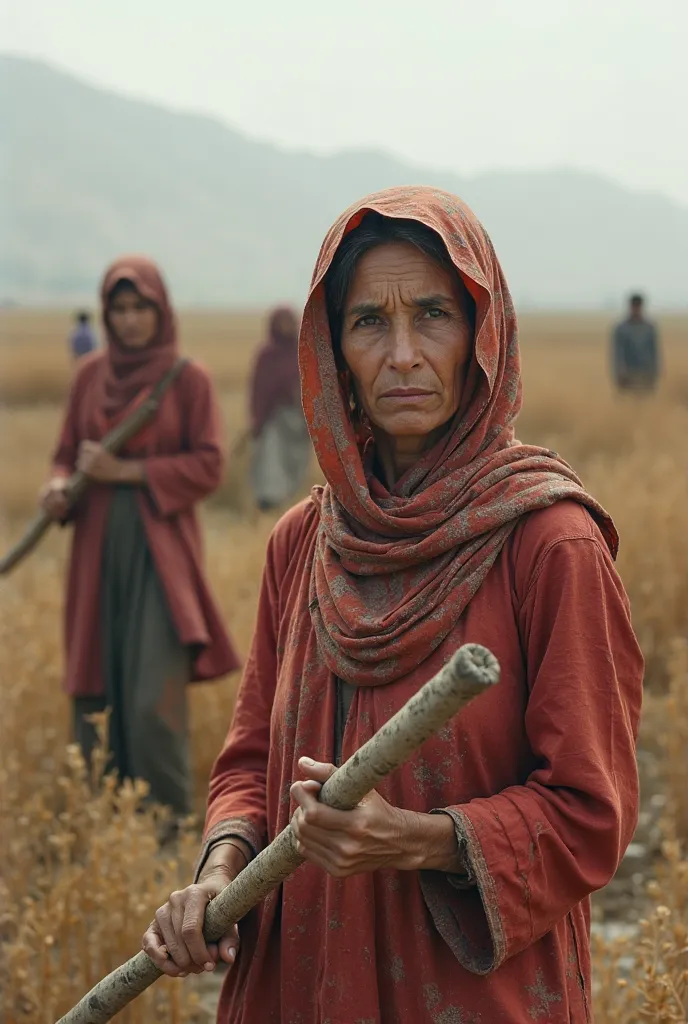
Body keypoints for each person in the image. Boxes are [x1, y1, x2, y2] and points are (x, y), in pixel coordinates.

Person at [143, 188, 643, 1023]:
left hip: (470, 992)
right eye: (369, 320)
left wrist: (417, 839)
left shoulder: (550, 544)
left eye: (436, 315)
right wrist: (219, 873)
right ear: (332, 348)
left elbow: (591, 813)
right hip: (299, 978)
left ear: (484, 338)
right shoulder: (303, 543)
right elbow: (246, 765)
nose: (403, 353)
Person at [41, 256, 241, 819]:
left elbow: (209, 465)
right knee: (95, 683)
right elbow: (64, 455)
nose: (129, 320)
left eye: (140, 308)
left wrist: (124, 472)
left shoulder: (187, 378)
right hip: (96, 555)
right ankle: (106, 822)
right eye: (119, 309)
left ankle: (168, 824)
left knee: (155, 697)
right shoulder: (88, 378)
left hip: (161, 559)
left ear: (161, 311)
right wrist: (59, 487)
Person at [249, 306, 311, 511]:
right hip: (275, 418)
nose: (287, 327)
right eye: (282, 322)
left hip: (300, 418)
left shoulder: (303, 350)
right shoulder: (267, 355)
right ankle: (268, 502)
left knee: (296, 464)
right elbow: (259, 388)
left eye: (290, 322)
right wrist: (257, 419)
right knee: (271, 462)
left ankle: (291, 503)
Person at [611, 292, 660, 392]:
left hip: (646, 373)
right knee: (627, 405)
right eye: (634, 306)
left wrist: (655, 372)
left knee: (646, 404)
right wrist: (618, 372)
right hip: (627, 374)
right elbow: (617, 353)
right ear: (630, 307)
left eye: (638, 306)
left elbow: (654, 352)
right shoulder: (621, 328)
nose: (636, 309)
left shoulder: (649, 328)